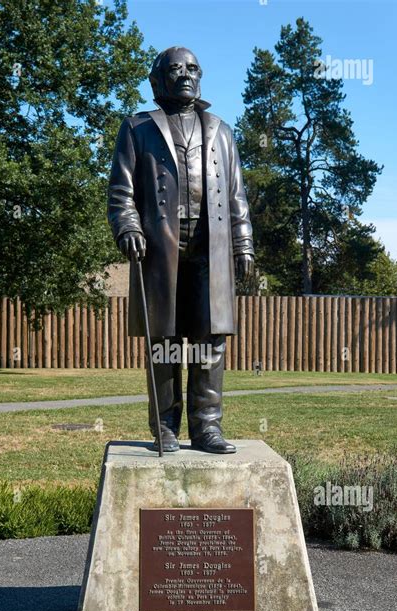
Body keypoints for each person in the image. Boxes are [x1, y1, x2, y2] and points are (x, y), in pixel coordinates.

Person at [108, 46, 255, 453]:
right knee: (165, 339)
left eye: (192, 68)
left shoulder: (221, 130)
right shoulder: (138, 128)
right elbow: (121, 194)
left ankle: (207, 426)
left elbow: (237, 194)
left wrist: (243, 241)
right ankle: (165, 425)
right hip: (160, 249)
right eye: (176, 69)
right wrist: (128, 229)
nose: (185, 75)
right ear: (158, 79)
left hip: (213, 247)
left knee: (211, 338)